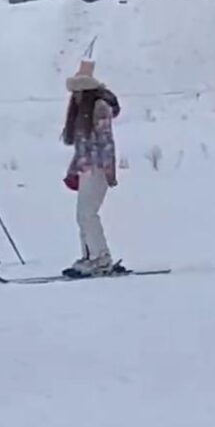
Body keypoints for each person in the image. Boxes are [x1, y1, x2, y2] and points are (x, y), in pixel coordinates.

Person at [61, 73, 120, 277]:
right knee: (82, 215)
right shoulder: (83, 113)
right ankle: (90, 255)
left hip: (98, 168)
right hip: (87, 168)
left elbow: (106, 142)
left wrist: (109, 171)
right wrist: (74, 170)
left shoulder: (99, 109)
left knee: (88, 214)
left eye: (78, 93)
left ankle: (100, 258)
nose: (75, 97)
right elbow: (82, 147)